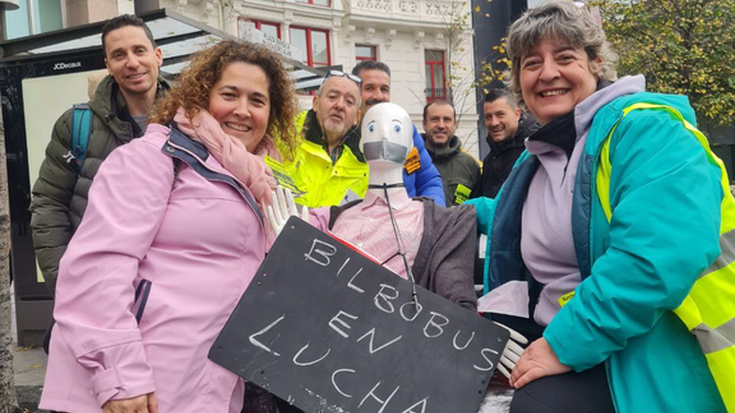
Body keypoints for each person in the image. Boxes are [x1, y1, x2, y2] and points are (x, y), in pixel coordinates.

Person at [467, 2, 734, 412]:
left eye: (565, 57)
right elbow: (507, 215)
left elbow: (656, 256)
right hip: (579, 338)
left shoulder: (650, 132)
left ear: (595, 63)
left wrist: (562, 345)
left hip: (658, 350)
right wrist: (421, 214)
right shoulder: (538, 157)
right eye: (531, 62)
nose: (548, 73)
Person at [39, 40, 300, 413]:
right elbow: (96, 268)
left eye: (257, 101)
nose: (242, 110)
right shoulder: (155, 158)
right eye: (229, 94)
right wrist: (119, 376)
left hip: (209, 385)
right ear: (200, 97)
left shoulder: (261, 182)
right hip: (142, 387)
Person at [30, 14, 169, 295]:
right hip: (98, 287)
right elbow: (49, 204)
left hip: (169, 287)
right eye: (119, 55)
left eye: (139, 50)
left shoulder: (192, 121)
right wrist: (66, 287)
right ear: (108, 65)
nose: (132, 62)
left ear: (157, 56)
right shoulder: (77, 125)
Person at [352, 60, 446, 206]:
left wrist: (431, 216)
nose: (378, 96)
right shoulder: (346, 132)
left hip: (406, 225)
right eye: (369, 88)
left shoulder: (406, 130)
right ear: (355, 92)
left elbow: (429, 181)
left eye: (384, 89)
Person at [284, 71, 366, 207]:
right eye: (332, 97)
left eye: (349, 102)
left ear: (356, 117)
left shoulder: (366, 159)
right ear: (315, 103)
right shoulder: (285, 133)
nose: (340, 105)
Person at [472, 89, 539, 199]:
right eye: (488, 117)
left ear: (517, 114)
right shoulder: (490, 160)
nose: (494, 122)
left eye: (500, 115)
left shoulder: (536, 149)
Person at [421, 99, 480, 205]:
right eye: (435, 119)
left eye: (447, 120)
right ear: (424, 124)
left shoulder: (470, 165)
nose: (441, 125)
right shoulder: (410, 161)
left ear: (454, 126)